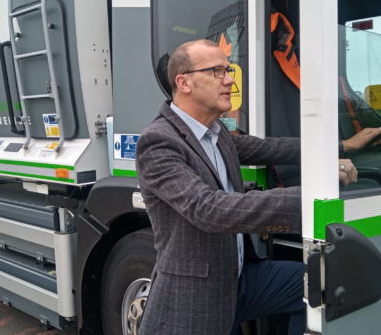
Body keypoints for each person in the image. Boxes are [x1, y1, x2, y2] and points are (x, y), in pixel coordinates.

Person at [135, 39, 357, 335]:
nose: (229, 81)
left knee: (316, 284)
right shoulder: (159, 142)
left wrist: (337, 148)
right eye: (217, 71)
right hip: (197, 293)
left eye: (228, 70)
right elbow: (209, 210)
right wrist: (313, 198)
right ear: (183, 82)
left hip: (241, 278)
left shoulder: (217, 133)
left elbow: (270, 148)